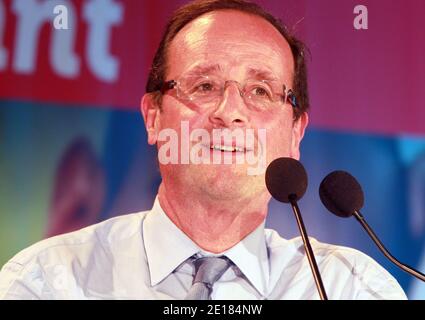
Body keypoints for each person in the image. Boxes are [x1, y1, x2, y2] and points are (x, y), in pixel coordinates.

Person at [0, 0, 406, 299]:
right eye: (204, 86)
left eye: (261, 91)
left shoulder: (350, 288)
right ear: (153, 117)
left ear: (295, 133)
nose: (230, 112)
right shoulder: (45, 281)